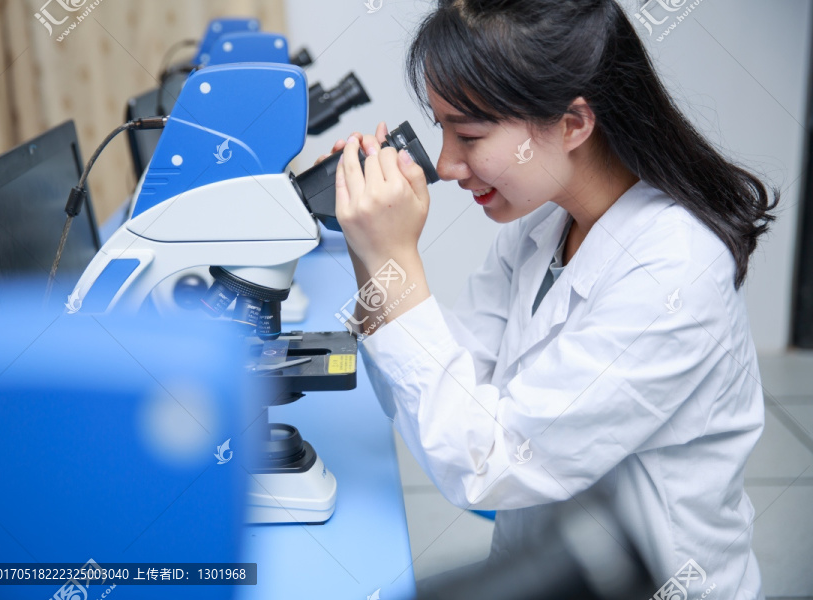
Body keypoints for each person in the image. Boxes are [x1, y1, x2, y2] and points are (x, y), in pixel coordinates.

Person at [320, 0, 779, 597]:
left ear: (572, 124)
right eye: (441, 130)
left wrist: (395, 259)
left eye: (470, 134)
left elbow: (487, 461)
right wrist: (368, 245)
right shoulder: (541, 230)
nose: (447, 164)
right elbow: (443, 383)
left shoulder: (675, 271)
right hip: (557, 564)